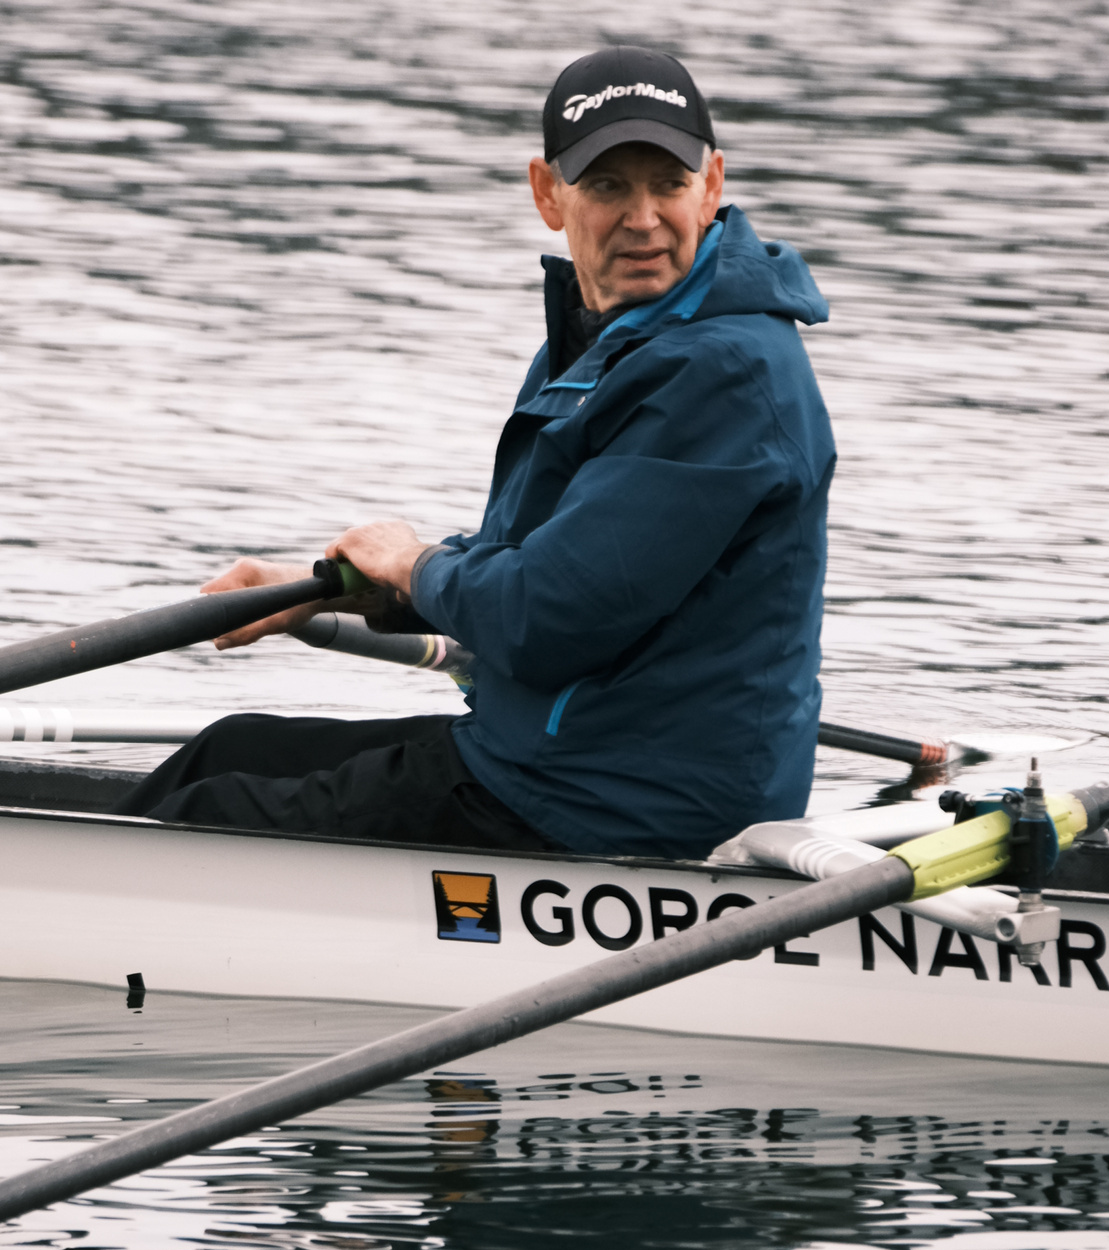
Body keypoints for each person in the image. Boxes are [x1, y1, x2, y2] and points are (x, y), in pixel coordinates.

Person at [119, 45, 836, 860]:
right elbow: (534, 564)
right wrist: (333, 593)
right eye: (607, 186)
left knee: (206, 818)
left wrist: (412, 563)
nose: (642, 218)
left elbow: (544, 618)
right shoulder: (610, 341)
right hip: (556, 759)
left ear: (710, 186)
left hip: (619, 806)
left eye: (667, 185)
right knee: (230, 750)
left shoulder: (720, 372)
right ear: (547, 194)